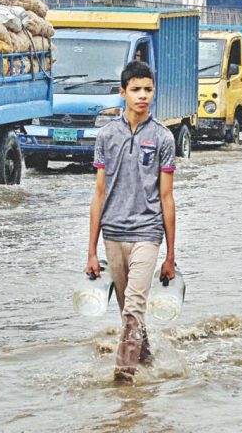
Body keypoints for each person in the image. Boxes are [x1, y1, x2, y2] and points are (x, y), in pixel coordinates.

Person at [86, 61, 177, 383]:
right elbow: (98, 193)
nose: (143, 96)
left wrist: (170, 255)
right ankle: (147, 357)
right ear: (123, 92)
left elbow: (167, 197)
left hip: (148, 234)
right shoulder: (107, 136)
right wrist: (91, 252)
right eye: (136, 90)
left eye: (148, 90)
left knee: (133, 309)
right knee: (128, 311)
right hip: (113, 234)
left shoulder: (163, 138)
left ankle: (123, 380)